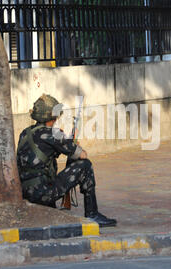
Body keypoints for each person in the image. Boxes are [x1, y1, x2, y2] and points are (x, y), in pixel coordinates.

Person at [17, 94, 117, 227]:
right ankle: (92, 214)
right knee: (85, 166)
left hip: (25, 193)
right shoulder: (54, 134)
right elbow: (82, 155)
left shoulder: (25, 133)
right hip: (42, 194)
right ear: (52, 117)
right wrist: (74, 144)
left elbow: (43, 153)